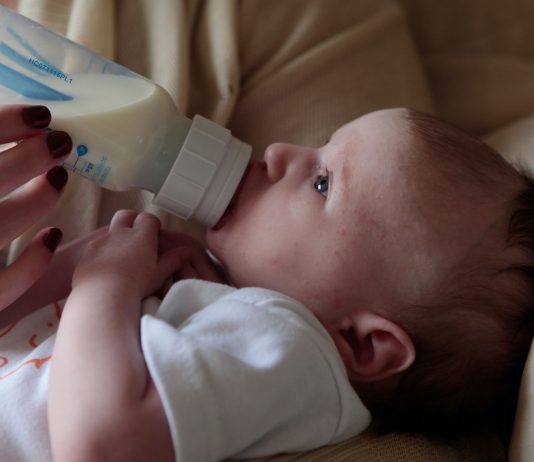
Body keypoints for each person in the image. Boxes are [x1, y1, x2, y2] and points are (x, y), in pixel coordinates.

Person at [0, 105, 533, 462]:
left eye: (323, 183)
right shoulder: (235, 311)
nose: (279, 152)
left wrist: (106, 281)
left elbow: (98, 446)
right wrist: (93, 263)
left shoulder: (294, 348)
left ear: (362, 343)